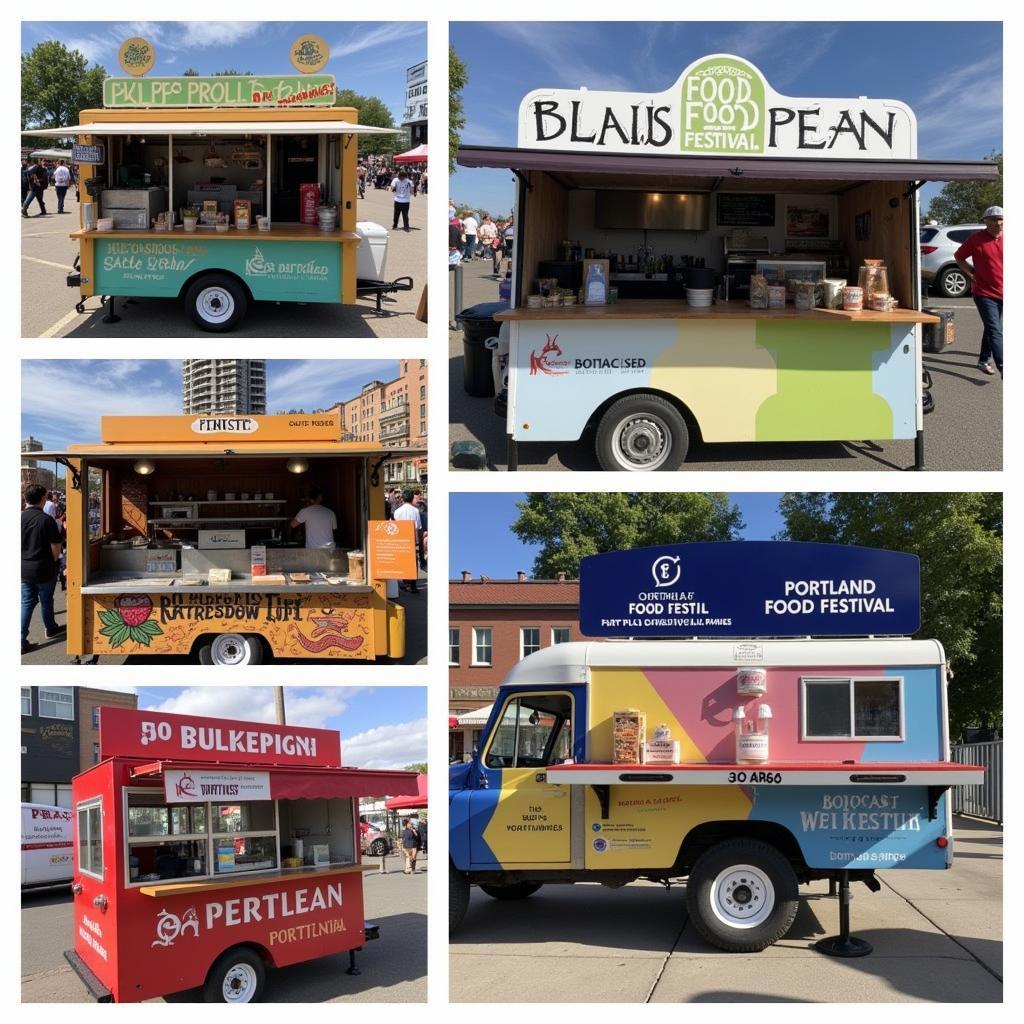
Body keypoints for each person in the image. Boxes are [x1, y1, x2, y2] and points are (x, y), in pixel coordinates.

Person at [954, 206, 1003, 376]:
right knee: (995, 329)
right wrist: (970, 272)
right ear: (986, 222)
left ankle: (983, 360)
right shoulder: (976, 239)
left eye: (1001, 219)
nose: (998, 223)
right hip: (984, 293)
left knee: (992, 327)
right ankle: (1003, 367)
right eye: (994, 220)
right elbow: (959, 256)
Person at [22, 483, 65, 655]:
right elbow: (56, 546)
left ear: (26, 499)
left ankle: (20, 640)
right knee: (46, 600)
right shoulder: (46, 520)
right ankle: (50, 628)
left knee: (26, 603)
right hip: (44, 567)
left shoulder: (17, 517)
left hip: (23, 568)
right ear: (42, 499)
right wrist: (54, 561)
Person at [392, 490, 422, 592]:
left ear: (403, 499)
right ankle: (413, 584)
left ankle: (405, 583)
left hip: (400, 539)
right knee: (413, 561)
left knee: (403, 561)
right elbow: (418, 526)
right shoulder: (416, 511)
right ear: (411, 498)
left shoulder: (397, 511)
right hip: (412, 539)